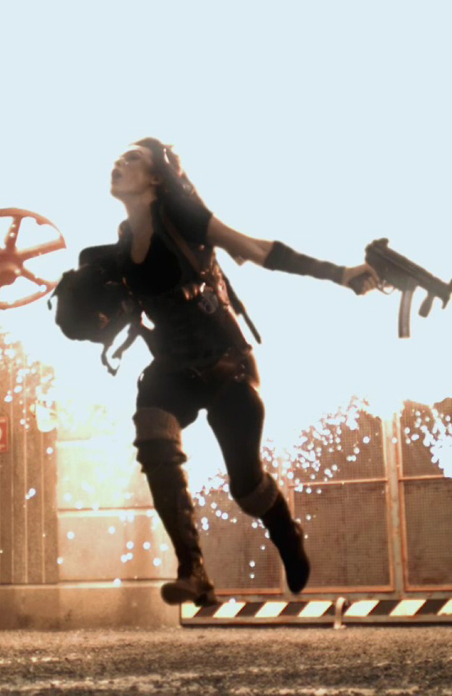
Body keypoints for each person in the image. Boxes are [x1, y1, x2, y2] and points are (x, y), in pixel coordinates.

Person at [108, 137, 380, 606]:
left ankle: (285, 530)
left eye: (133, 157)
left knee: (247, 489)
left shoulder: (183, 215)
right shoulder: (122, 238)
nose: (119, 161)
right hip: (170, 369)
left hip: (225, 365)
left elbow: (257, 249)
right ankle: (193, 571)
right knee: (154, 442)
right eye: (119, 156)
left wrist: (341, 274)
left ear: (155, 177)